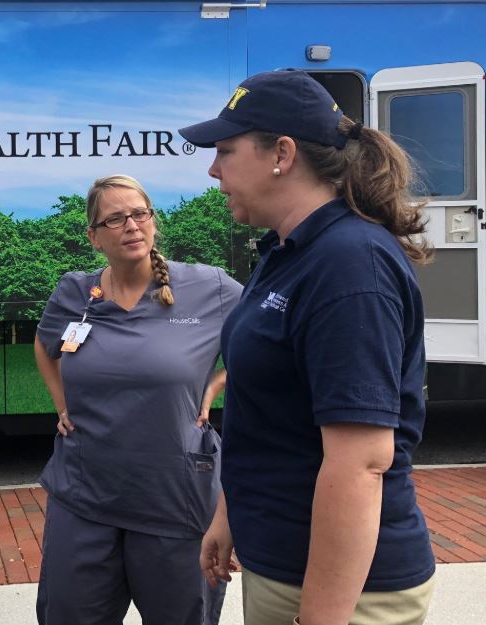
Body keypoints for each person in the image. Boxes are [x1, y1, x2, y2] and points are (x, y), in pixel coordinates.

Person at [180, 69, 436, 625]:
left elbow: (362, 463)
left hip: (346, 592)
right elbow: (267, 413)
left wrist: (322, 617)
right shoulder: (287, 251)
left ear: (283, 153)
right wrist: (231, 513)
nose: (213, 169)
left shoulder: (349, 263)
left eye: (225, 150)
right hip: (287, 566)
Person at [33, 174, 242, 625]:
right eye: (115, 219)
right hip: (84, 494)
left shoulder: (211, 289)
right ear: (94, 237)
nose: (131, 226)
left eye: (139, 214)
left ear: (153, 221)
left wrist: (219, 382)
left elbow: (272, 340)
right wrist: (61, 403)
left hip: (175, 499)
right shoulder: (74, 292)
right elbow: (43, 344)